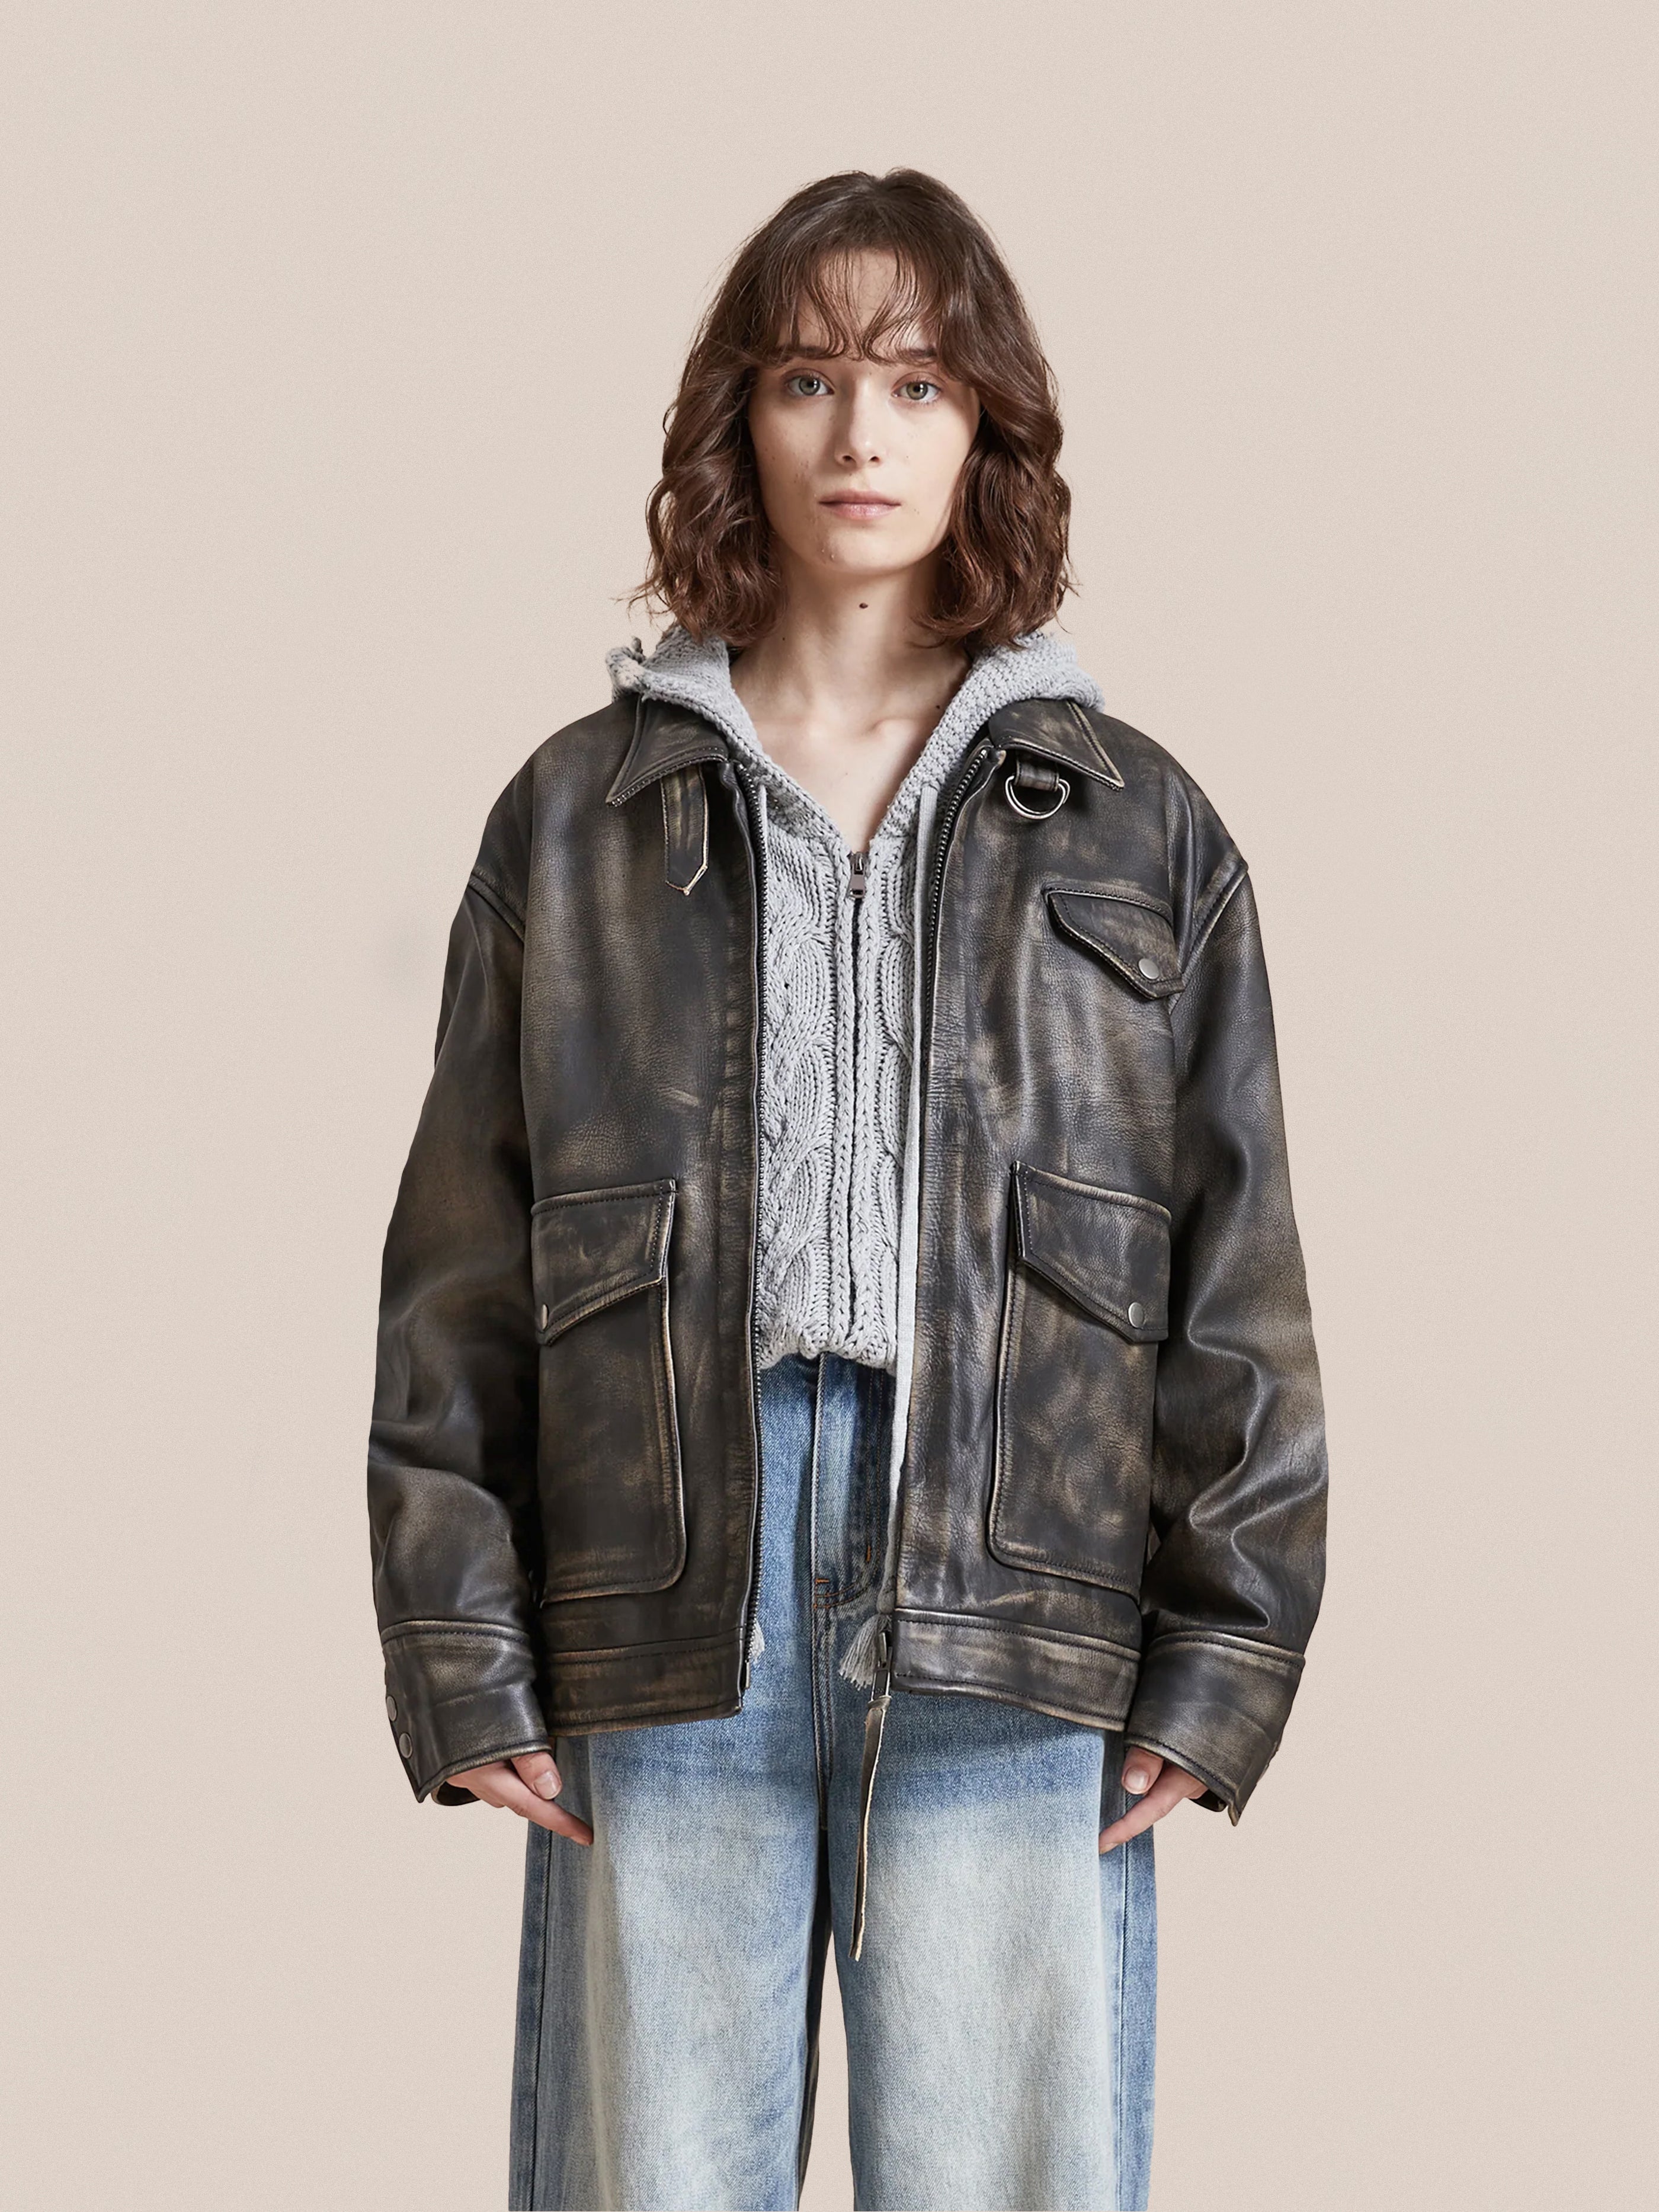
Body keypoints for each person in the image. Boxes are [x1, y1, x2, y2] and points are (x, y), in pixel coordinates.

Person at [367, 168, 1327, 2212]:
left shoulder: (1138, 828)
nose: (861, 434)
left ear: (987, 426)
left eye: (916, 383)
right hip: (662, 1590)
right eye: (807, 379)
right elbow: (458, 1267)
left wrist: (1227, 1657)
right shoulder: (579, 818)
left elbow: (1235, 1273)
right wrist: (462, 1649)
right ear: (742, 418)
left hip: (1010, 1588)